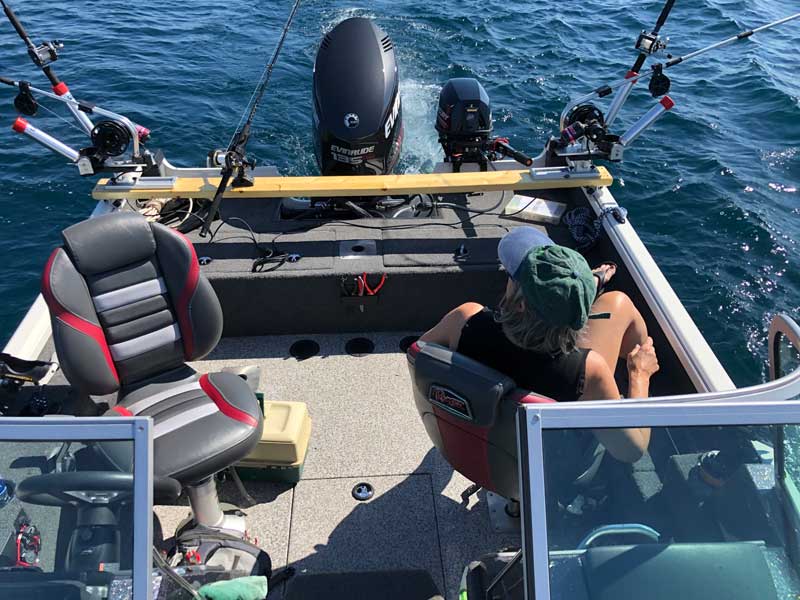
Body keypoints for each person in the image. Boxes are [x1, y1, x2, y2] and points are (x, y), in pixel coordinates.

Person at [419, 227, 659, 463]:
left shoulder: (465, 320)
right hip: (549, 467)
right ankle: (631, 392)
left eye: (513, 277)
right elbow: (631, 452)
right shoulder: (588, 371)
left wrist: (585, 281)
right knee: (618, 303)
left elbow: (421, 355)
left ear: (521, 305)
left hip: (477, 448)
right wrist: (640, 374)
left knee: (615, 304)